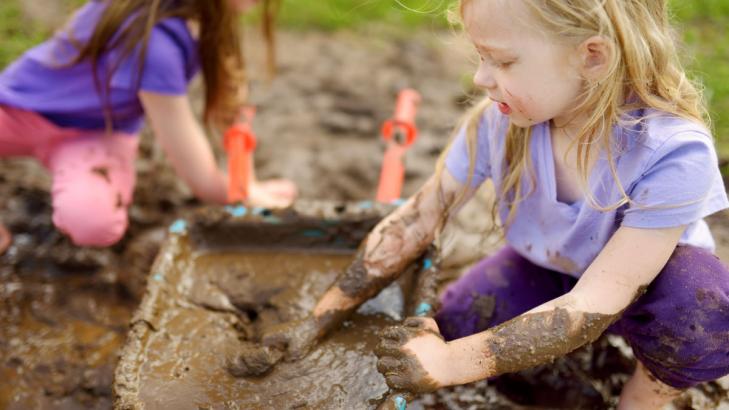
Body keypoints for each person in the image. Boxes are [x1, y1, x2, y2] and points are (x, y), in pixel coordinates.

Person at [261, 1, 729, 409]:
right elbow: (418, 218)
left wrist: (447, 364)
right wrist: (317, 320)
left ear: (592, 56)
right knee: (460, 321)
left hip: (649, 286)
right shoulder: (500, 123)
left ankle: (642, 398)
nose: (481, 78)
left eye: (502, 61)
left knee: (703, 309)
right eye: (480, 57)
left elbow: (594, 302)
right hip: (548, 267)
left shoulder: (673, 151)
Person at [0, 0, 296, 249]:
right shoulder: (153, 41)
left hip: (94, 133)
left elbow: (232, 110)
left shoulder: (208, 18)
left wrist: (246, 187)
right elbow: (197, 172)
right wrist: (242, 197)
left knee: (92, 221)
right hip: (15, 112)